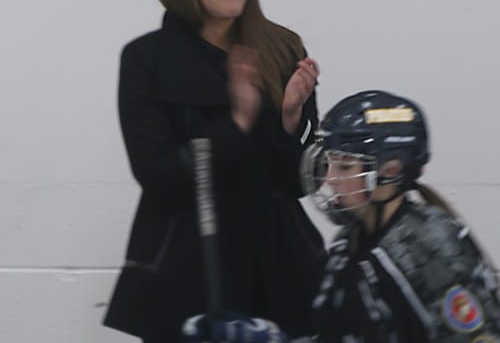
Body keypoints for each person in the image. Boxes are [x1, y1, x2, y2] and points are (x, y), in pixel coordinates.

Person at [103, 0, 326, 343]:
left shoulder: (283, 48)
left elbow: (301, 183)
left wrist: (290, 117)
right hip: (190, 268)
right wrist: (238, 122)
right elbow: (158, 177)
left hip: (278, 267)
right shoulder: (146, 59)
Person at [182, 90, 500, 343]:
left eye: (345, 166)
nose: (330, 178)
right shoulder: (348, 247)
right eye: (330, 163)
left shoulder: (430, 248)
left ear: (390, 170)